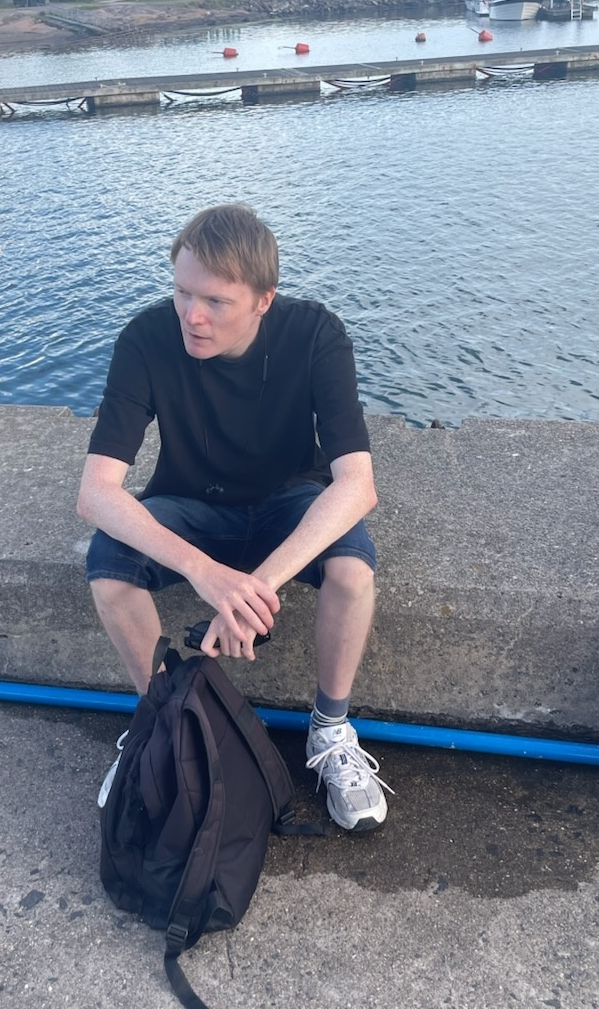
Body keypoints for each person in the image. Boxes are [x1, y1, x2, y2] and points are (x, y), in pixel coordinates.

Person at [77, 203, 392, 832]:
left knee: (354, 572)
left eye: (216, 301)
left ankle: (330, 729)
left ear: (263, 300)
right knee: (108, 569)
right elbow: (96, 494)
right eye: (182, 292)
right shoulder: (146, 339)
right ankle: (161, 722)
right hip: (190, 502)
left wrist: (255, 589)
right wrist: (206, 574)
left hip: (289, 498)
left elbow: (357, 485)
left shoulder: (315, 334)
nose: (191, 315)